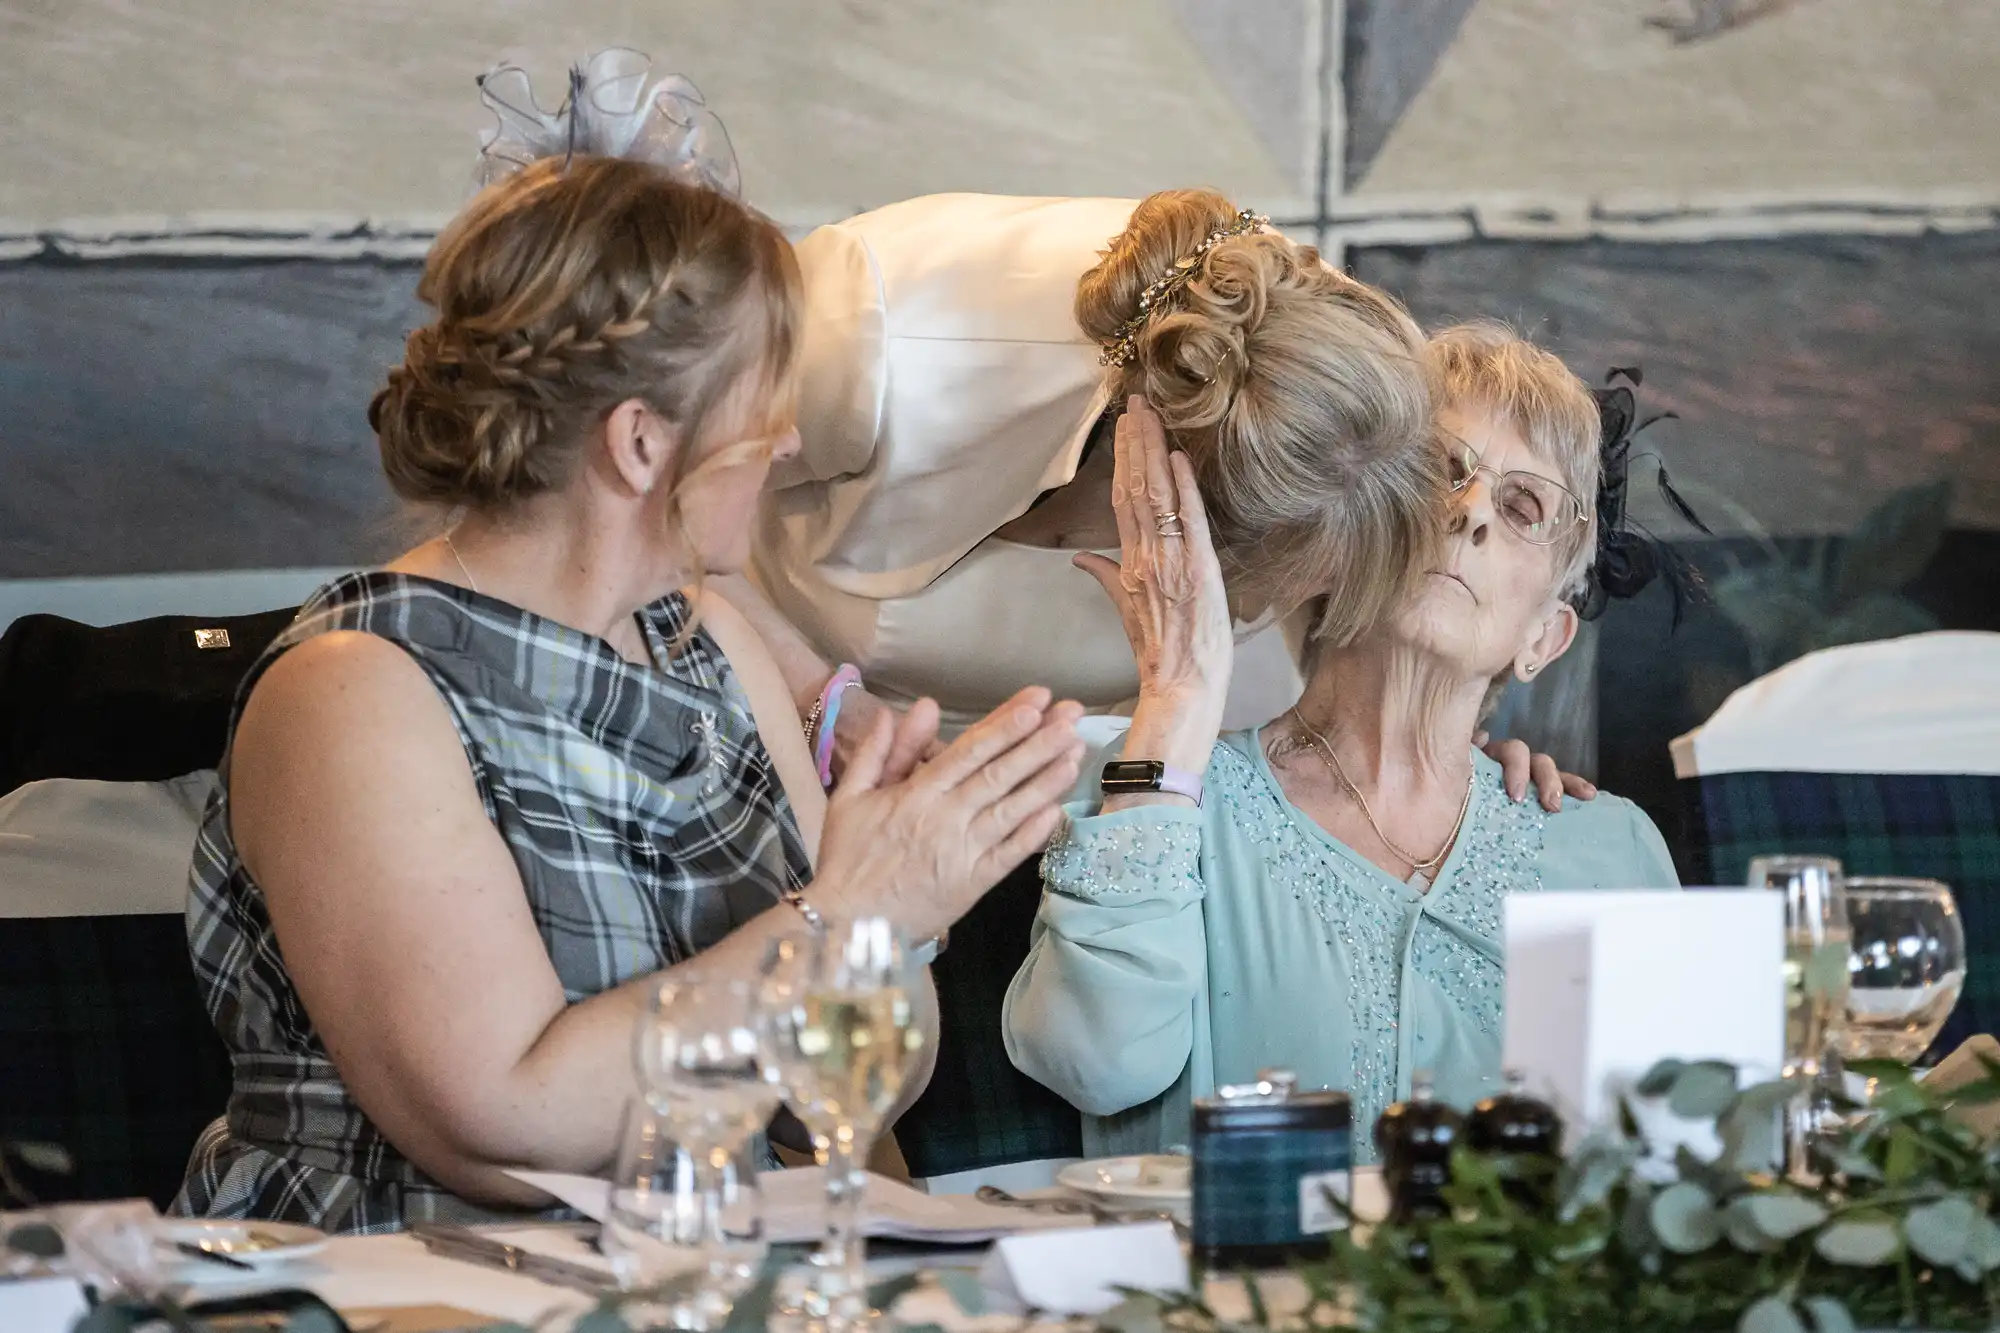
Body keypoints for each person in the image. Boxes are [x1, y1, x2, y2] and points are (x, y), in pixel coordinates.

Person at [173, 149, 1084, 1234]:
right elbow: (503, 1125)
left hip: (713, 1259)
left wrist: (903, 911)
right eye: (761, 395)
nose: (787, 435)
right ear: (643, 440)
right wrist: (847, 912)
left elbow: (851, 1096)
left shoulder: (714, 642)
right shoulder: (355, 687)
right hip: (416, 1276)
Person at [1003, 324, 1683, 1159]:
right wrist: (1175, 698)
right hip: (1235, 1288)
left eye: (1521, 506)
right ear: (1345, 532)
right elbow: (1092, 1061)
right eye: (1442, 470)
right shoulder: (1164, 792)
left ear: (1545, 636)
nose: (1470, 510)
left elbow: (1668, 1176)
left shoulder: (1603, 851)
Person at [725, 189, 1591, 809]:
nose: (1464, 516)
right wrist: (812, 700)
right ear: (1177, 510)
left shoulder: (1336, 431)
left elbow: (1360, 678)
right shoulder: (881, 336)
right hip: (733, 672)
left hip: (1025, 813)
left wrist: (1446, 776)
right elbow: (638, 517)